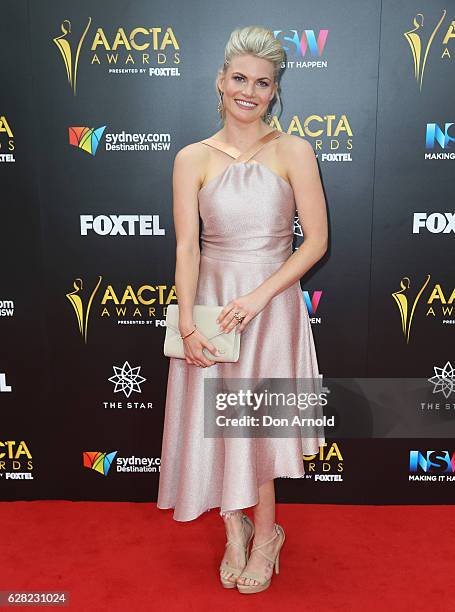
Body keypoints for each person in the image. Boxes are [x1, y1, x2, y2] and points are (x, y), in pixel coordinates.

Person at [157, 25, 328, 594]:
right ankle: (234, 530)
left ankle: (267, 534)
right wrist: (186, 320)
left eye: (263, 82)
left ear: (276, 91)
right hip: (210, 308)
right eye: (240, 79)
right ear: (220, 81)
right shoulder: (191, 158)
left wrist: (260, 297)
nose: (249, 91)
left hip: (270, 307)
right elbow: (187, 246)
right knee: (214, 428)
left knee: (255, 426)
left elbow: (316, 243)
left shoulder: (295, 151)